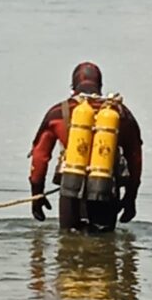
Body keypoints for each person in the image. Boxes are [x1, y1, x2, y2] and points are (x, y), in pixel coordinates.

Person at [28, 61, 142, 232]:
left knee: (68, 247)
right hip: (106, 190)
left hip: (70, 191)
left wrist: (37, 195)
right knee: (103, 249)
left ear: (73, 87)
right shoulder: (120, 114)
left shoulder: (58, 113)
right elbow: (135, 158)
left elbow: (40, 157)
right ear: (100, 86)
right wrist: (130, 197)